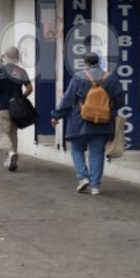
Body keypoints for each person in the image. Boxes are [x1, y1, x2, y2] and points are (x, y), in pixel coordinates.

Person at [52, 51, 124, 195]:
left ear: (85, 63)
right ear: (99, 62)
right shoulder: (111, 78)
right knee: (97, 153)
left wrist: (56, 115)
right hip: (103, 123)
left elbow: (68, 99)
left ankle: (83, 177)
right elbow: (120, 101)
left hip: (80, 122)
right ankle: (95, 187)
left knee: (77, 150)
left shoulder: (79, 77)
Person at [0, 48, 33, 172]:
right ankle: (12, 161)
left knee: (3, 133)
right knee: (13, 133)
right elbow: (29, 89)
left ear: (5, 57)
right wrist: (20, 99)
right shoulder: (21, 71)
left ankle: (10, 153)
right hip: (17, 109)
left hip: (4, 107)